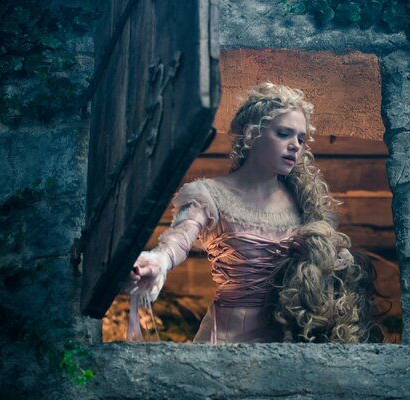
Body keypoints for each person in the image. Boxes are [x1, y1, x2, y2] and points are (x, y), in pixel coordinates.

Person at [123, 82, 374, 344]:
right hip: (230, 336)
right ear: (250, 133)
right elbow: (181, 236)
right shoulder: (210, 195)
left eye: (301, 139)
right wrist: (159, 260)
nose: (295, 146)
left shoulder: (305, 203)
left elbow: (337, 265)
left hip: (294, 335)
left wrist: (320, 260)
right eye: (284, 133)